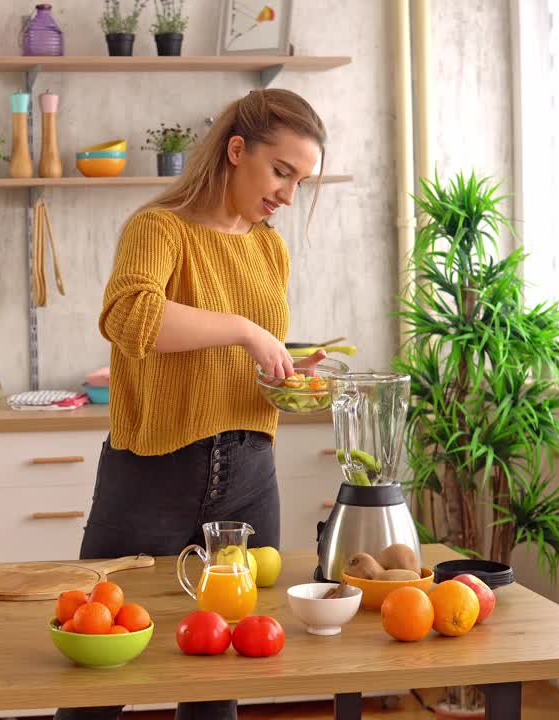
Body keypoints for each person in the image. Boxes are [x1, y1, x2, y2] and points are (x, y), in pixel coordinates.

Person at [54, 89, 326, 720]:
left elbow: (238, 358)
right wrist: (246, 331)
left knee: (217, 670)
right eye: (281, 171)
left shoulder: (268, 249)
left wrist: (286, 369)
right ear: (237, 151)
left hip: (249, 478)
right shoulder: (159, 228)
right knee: (99, 663)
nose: (288, 195)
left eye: (300, 181)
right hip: (151, 474)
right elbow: (130, 317)